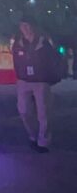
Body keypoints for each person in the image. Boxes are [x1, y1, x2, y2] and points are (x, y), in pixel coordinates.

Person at [13, 18, 63, 153]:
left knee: (44, 112)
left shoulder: (43, 42)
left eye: (28, 25)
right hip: (23, 81)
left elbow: (55, 59)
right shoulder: (18, 43)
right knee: (24, 110)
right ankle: (32, 136)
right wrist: (20, 75)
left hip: (41, 82)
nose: (25, 28)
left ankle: (43, 141)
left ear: (33, 26)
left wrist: (51, 77)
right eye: (23, 26)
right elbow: (16, 60)